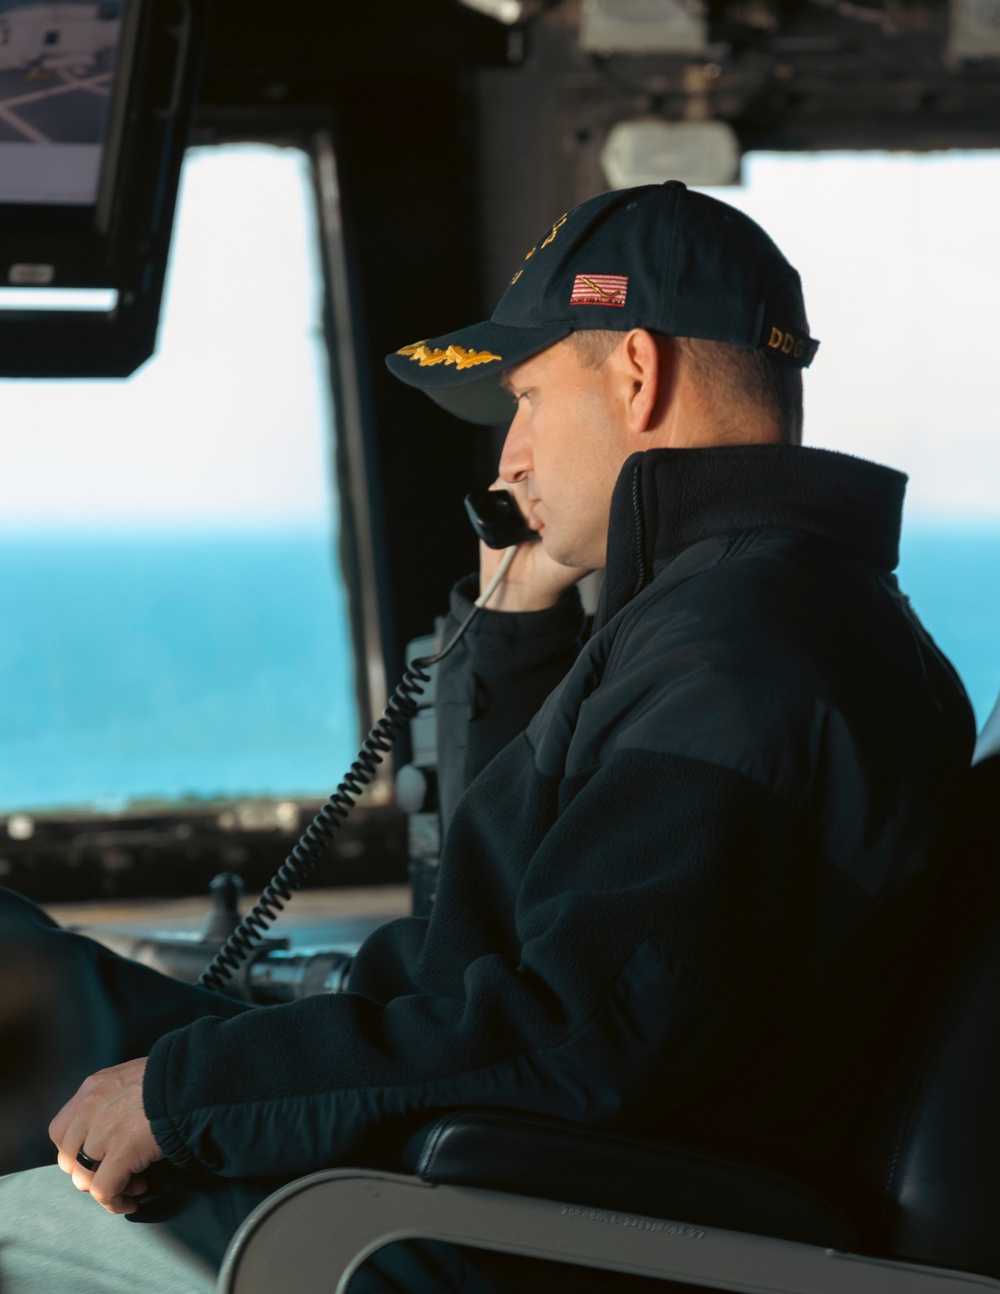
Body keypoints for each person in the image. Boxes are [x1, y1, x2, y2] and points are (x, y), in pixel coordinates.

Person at [0, 180, 975, 1294]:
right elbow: (509, 921)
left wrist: (187, 1096)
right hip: (486, 1153)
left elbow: (579, 1029)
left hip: (510, 1222)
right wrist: (513, 627)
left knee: (14, 1217)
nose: (506, 458)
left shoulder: (744, 656)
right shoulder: (736, 615)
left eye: (527, 401)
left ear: (639, 375)